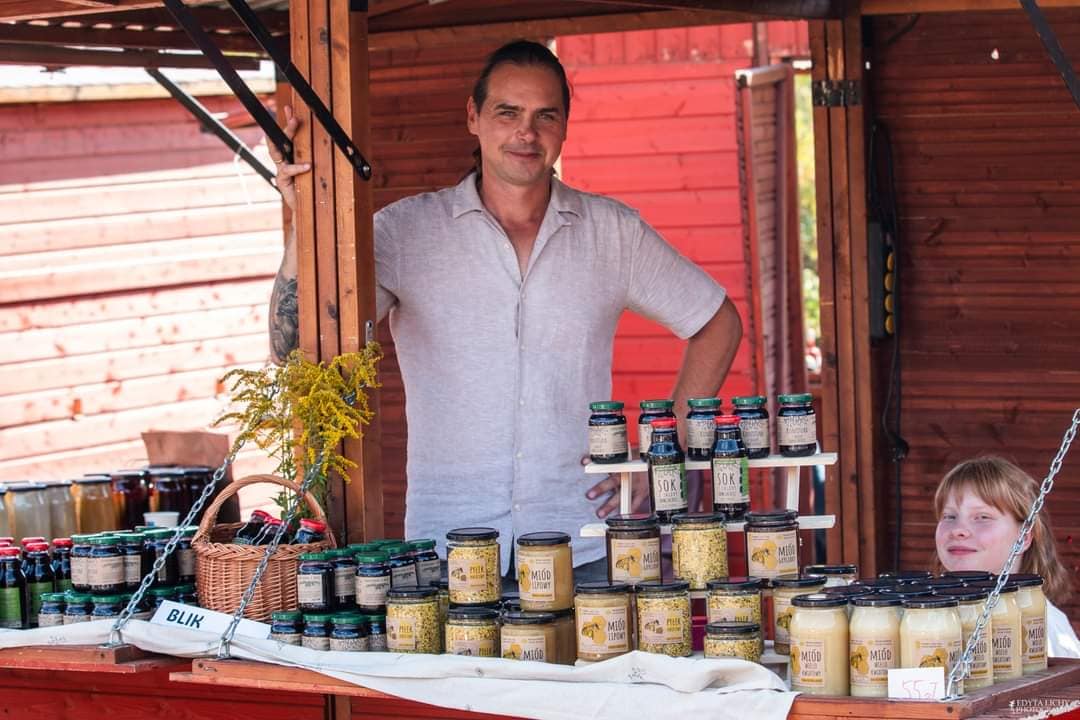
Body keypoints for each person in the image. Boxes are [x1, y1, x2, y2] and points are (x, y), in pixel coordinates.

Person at [268, 40, 742, 577]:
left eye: (545, 115)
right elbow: (294, 350)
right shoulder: (403, 233)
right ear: (473, 117)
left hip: (582, 543)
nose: (526, 133)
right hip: (446, 548)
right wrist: (301, 223)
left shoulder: (613, 233)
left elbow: (717, 323)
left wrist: (661, 452)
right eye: (508, 112)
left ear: (564, 126)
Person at [934, 455, 1080, 658]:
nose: (958, 530)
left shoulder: (1040, 627)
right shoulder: (924, 621)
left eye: (982, 517)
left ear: (1024, 537)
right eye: (949, 516)